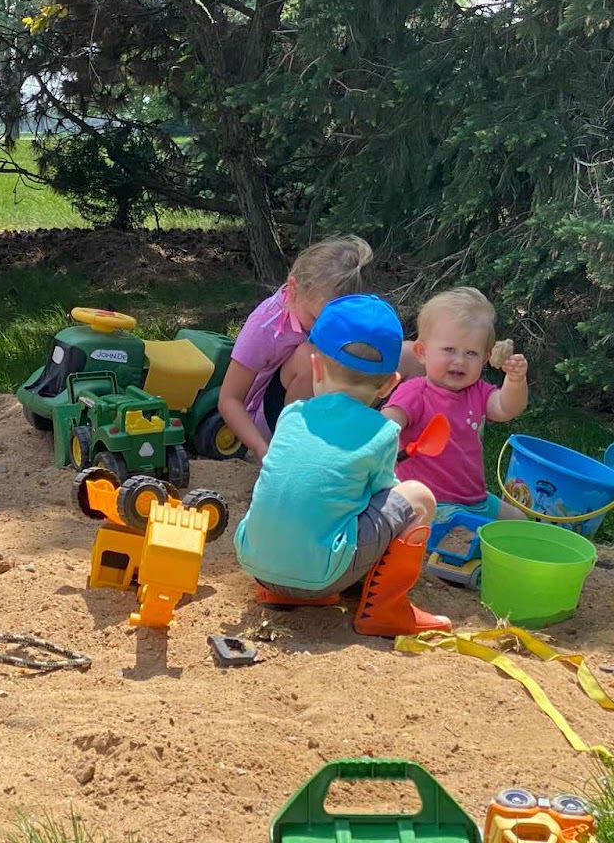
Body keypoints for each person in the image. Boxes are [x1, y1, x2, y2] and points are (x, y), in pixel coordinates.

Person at [232, 293, 451, 637]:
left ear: (316, 367)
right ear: (390, 384)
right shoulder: (383, 432)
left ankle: (280, 589)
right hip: (322, 576)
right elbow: (381, 501)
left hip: (256, 563)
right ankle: (385, 610)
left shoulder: (292, 415)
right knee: (418, 497)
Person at [383, 287, 528, 557]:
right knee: (459, 539)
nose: (459, 361)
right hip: (431, 502)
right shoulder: (416, 392)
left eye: (471, 353)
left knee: (521, 523)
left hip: (475, 498)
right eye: (449, 349)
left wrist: (515, 382)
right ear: (422, 351)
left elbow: (505, 408)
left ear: (486, 358)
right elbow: (388, 424)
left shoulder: (478, 392)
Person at [216, 235, 373, 462]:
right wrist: (261, 449)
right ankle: (293, 448)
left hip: (322, 409)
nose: (322, 328)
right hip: (264, 420)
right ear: (293, 289)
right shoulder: (265, 326)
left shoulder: (327, 311)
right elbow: (229, 399)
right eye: (315, 318)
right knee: (311, 357)